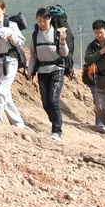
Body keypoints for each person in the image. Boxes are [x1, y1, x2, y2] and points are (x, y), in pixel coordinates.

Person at [27, 7, 70, 140]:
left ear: (49, 19)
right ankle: (55, 121)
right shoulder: (35, 35)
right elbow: (33, 55)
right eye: (39, 21)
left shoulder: (57, 34)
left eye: (44, 21)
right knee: (45, 102)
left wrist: (63, 43)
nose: (41, 24)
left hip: (56, 69)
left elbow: (64, 54)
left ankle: (57, 130)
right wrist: (30, 70)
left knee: (53, 100)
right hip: (42, 71)